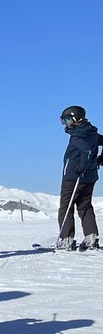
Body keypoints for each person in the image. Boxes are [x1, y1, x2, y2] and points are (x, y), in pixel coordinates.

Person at [57, 105, 103, 251]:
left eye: (68, 119)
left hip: (73, 177)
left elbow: (86, 151)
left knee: (66, 206)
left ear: (76, 118)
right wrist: (100, 160)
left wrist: (82, 166)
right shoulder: (92, 133)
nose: (66, 123)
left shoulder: (77, 135)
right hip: (90, 177)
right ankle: (91, 238)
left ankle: (66, 240)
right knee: (84, 205)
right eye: (64, 120)